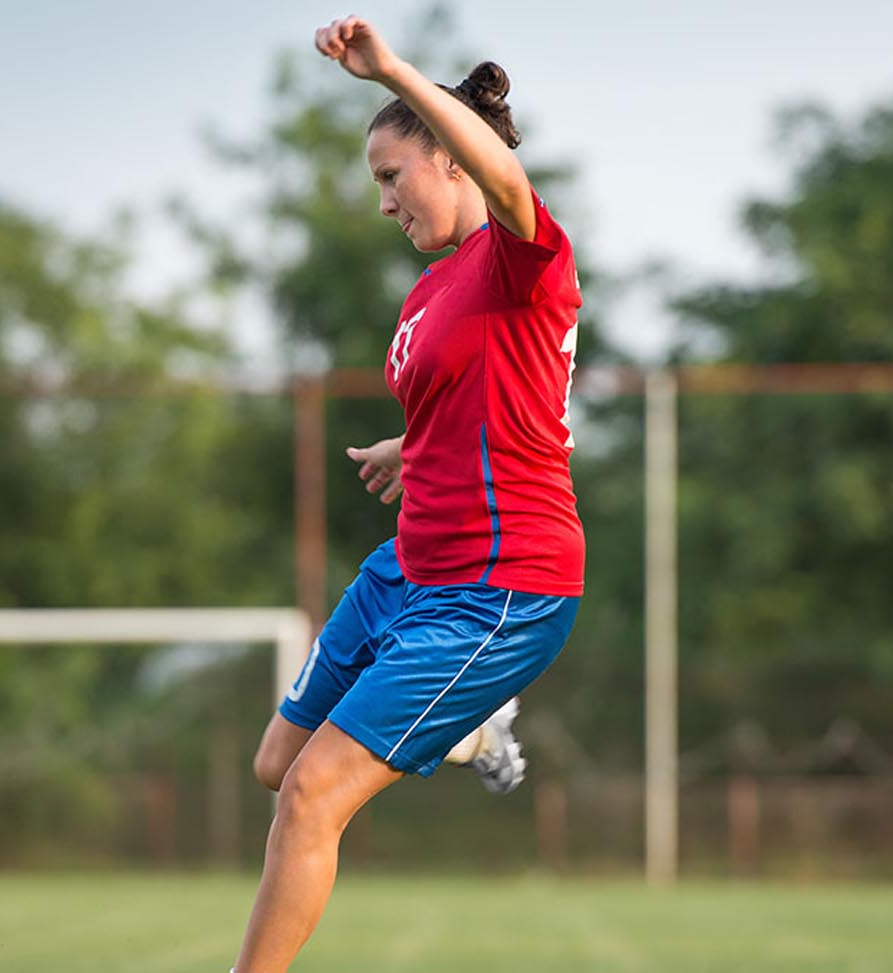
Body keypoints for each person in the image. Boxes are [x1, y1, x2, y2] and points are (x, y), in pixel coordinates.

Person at [231, 15, 585, 972]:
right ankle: (474, 729)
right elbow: (503, 403)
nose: (385, 201)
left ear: (452, 161)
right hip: (408, 570)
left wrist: (388, 69)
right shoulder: (432, 291)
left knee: (314, 796)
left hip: (500, 586)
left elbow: (510, 182)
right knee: (276, 766)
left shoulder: (522, 257)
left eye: (393, 176)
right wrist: (412, 442)